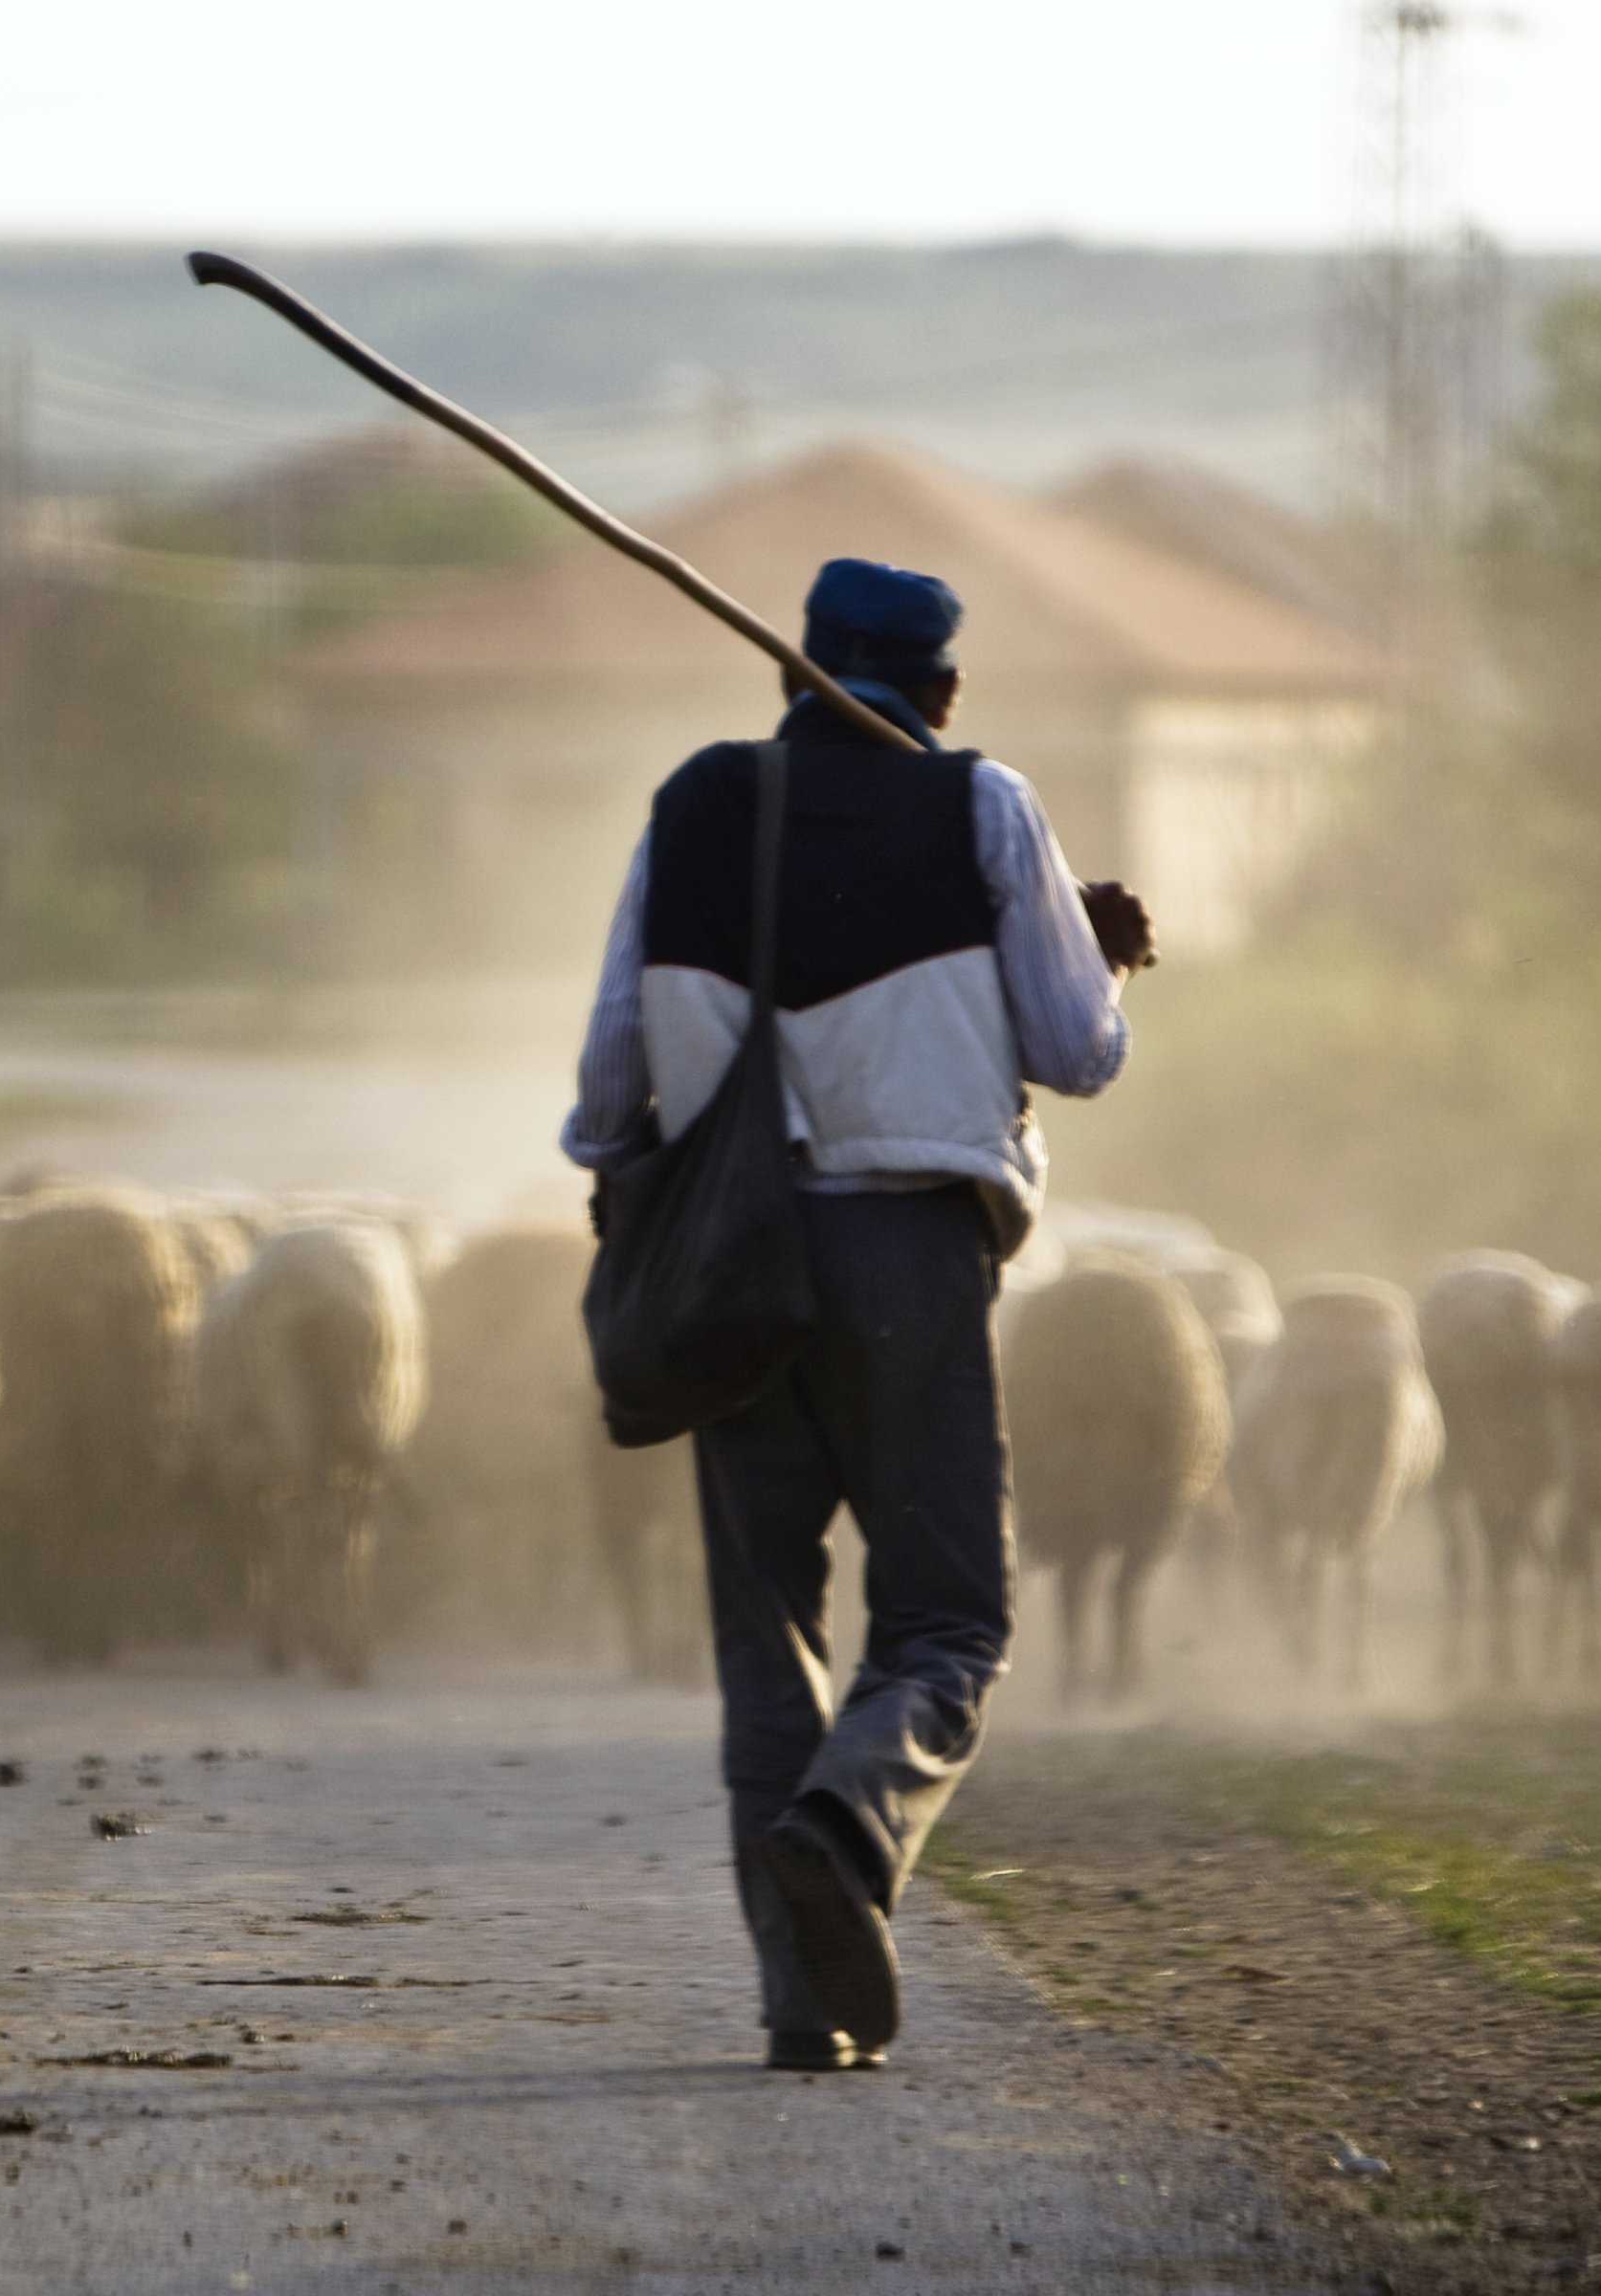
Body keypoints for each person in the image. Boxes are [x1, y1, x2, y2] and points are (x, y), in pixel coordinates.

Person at [560, 558, 1151, 2072]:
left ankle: (800, 2006)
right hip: (912, 1261)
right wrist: (1102, 955)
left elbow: (611, 1085)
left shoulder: (697, 801)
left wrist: (663, 1178)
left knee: (767, 1628)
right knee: (948, 1619)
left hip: (730, 1269)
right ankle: (850, 1815)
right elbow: (1078, 1052)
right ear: (944, 689)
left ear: (792, 673)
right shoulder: (985, 804)